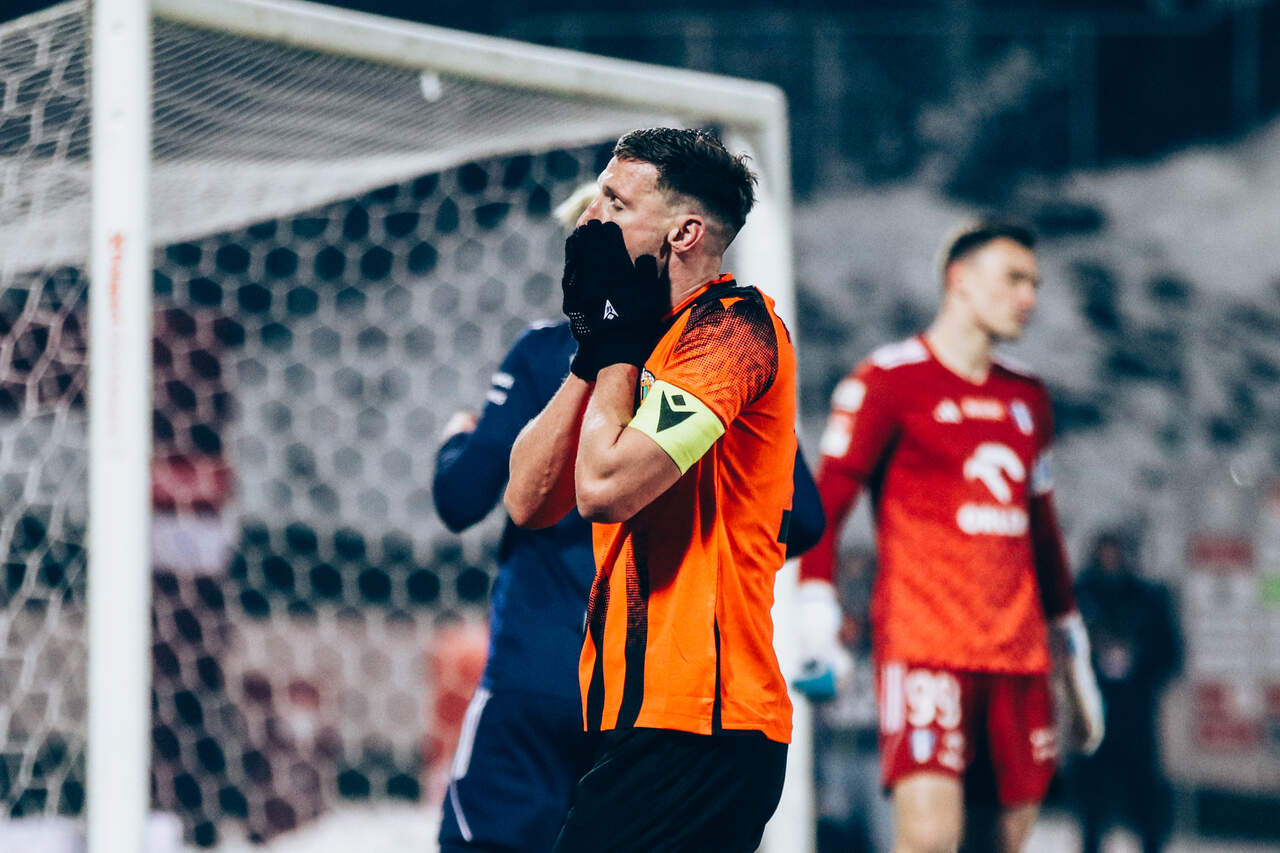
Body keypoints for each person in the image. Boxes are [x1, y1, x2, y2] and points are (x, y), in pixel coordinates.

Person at [433, 166, 822, 853]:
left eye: (612, 207)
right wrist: (597, 353)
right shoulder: (591, 350)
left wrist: (456, 443)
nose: (591, 228)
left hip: (675, 703)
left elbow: (532, 492)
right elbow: (524, 502)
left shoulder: (722, 338)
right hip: (612, 695)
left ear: (679, 233)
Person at [796, 220, 1106, 853]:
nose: (1029, 297)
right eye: (1014, 279)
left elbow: (1042, 533)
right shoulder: (887, 380)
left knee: (1002, 845)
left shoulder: (1028, 398)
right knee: (932, 840)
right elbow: (826, 505)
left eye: (1035, 284)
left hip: (1019, 659)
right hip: (926, 651)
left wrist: (1072, 652)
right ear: (959, 279)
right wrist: (815, 612)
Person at [1071, 530, 1182, 853]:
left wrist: (1137, 664)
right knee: (1093, 804)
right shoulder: (1081, 597)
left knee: (1144, 800)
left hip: (1135, 715)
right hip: (1093, 712)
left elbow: (1169, 654)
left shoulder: (1148, 599)